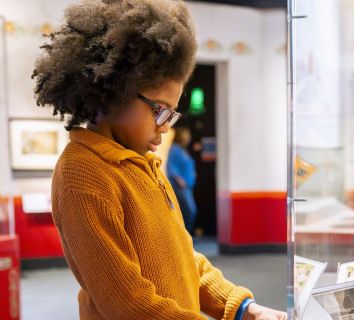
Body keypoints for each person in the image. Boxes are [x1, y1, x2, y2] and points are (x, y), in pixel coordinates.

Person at [31, 1, 287, 319]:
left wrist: (243, 308)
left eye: (172, 113)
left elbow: (183, 259)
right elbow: (128, 304)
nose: (166, 125)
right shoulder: (82, 174)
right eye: (160, 109)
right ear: (114, 90)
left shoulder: (145, 165)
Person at [167, 126, 197, 235]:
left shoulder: (183, 150)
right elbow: (171, 166)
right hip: (180, 186)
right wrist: (179, 179)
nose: (189, 137)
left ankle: (185, 237)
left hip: (188, 186)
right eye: (186, 135)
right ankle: (184, 236)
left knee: (187, 211)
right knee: (190, 210)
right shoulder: (175, 149)